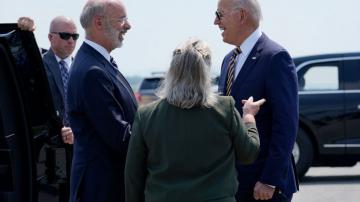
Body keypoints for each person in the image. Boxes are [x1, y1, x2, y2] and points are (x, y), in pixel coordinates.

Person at [125, 38, 265, 202]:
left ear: (172, 70)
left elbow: (133, 174)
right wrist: (248, 116)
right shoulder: (224, 108)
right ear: (205, 71)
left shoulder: (146, 115)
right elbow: (248, 153)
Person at [214, 0, 299, 201]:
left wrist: (270, 179)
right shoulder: (228, 60)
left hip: (263, 186)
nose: (215, 22)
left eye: (219, 14)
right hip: (234, 182)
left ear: (241, 15)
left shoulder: (275, 57)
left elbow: (286, 125)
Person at [66, 0, 137, 201]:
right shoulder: (92, 71)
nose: (128, 26)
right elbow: (120, 136)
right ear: (98, 23)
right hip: (101, 190)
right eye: (122, 19)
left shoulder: (98, 62)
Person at [17, 16, 76, 145]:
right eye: (65, 35)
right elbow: (20, 62)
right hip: (49, 147)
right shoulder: (39, 65)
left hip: (80, 146)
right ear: (50, 37)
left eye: (74, 36)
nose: (71, 41)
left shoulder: (82, 68)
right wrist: (24, 34)